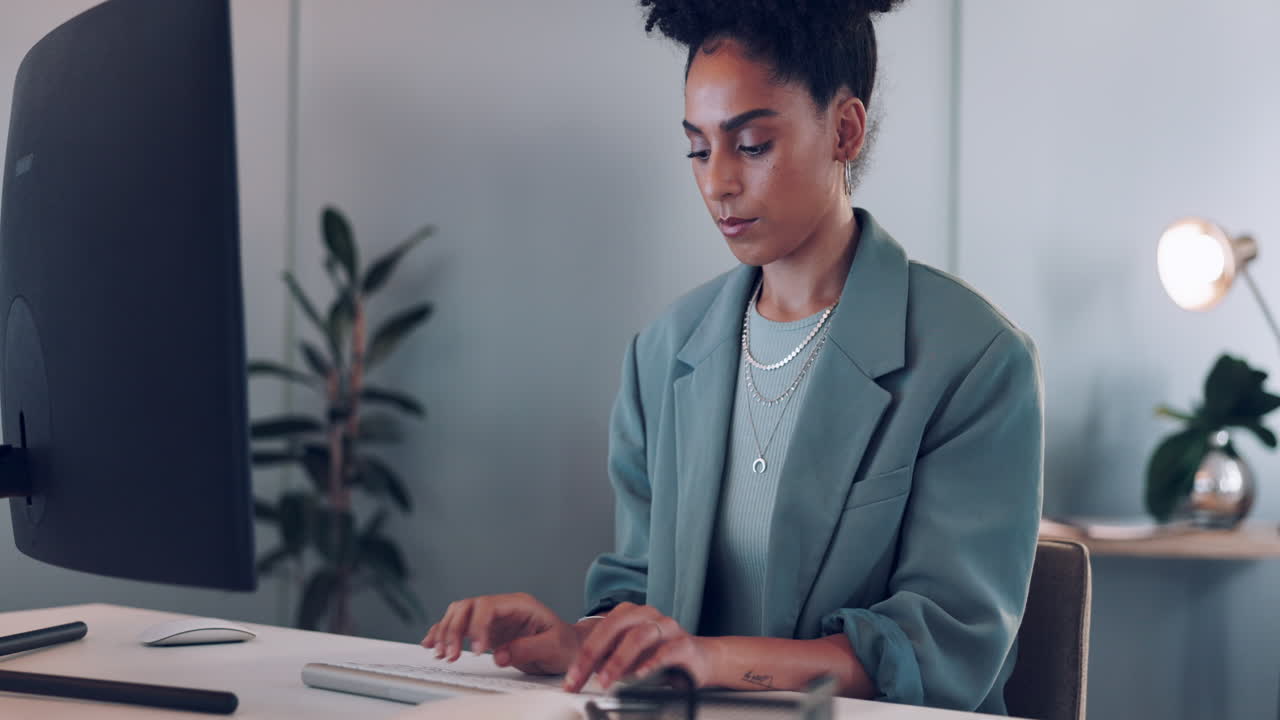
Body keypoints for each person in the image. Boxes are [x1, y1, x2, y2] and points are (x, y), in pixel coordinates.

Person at [422, 0, 1043, 713]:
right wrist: (578, 640)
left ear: (844, 130)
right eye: (698, 148)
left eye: (750, 145)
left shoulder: (975, 361)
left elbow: (938, 651)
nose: (717, 181)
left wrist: (711, 660)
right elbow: (644, 591)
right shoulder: (663, 354)